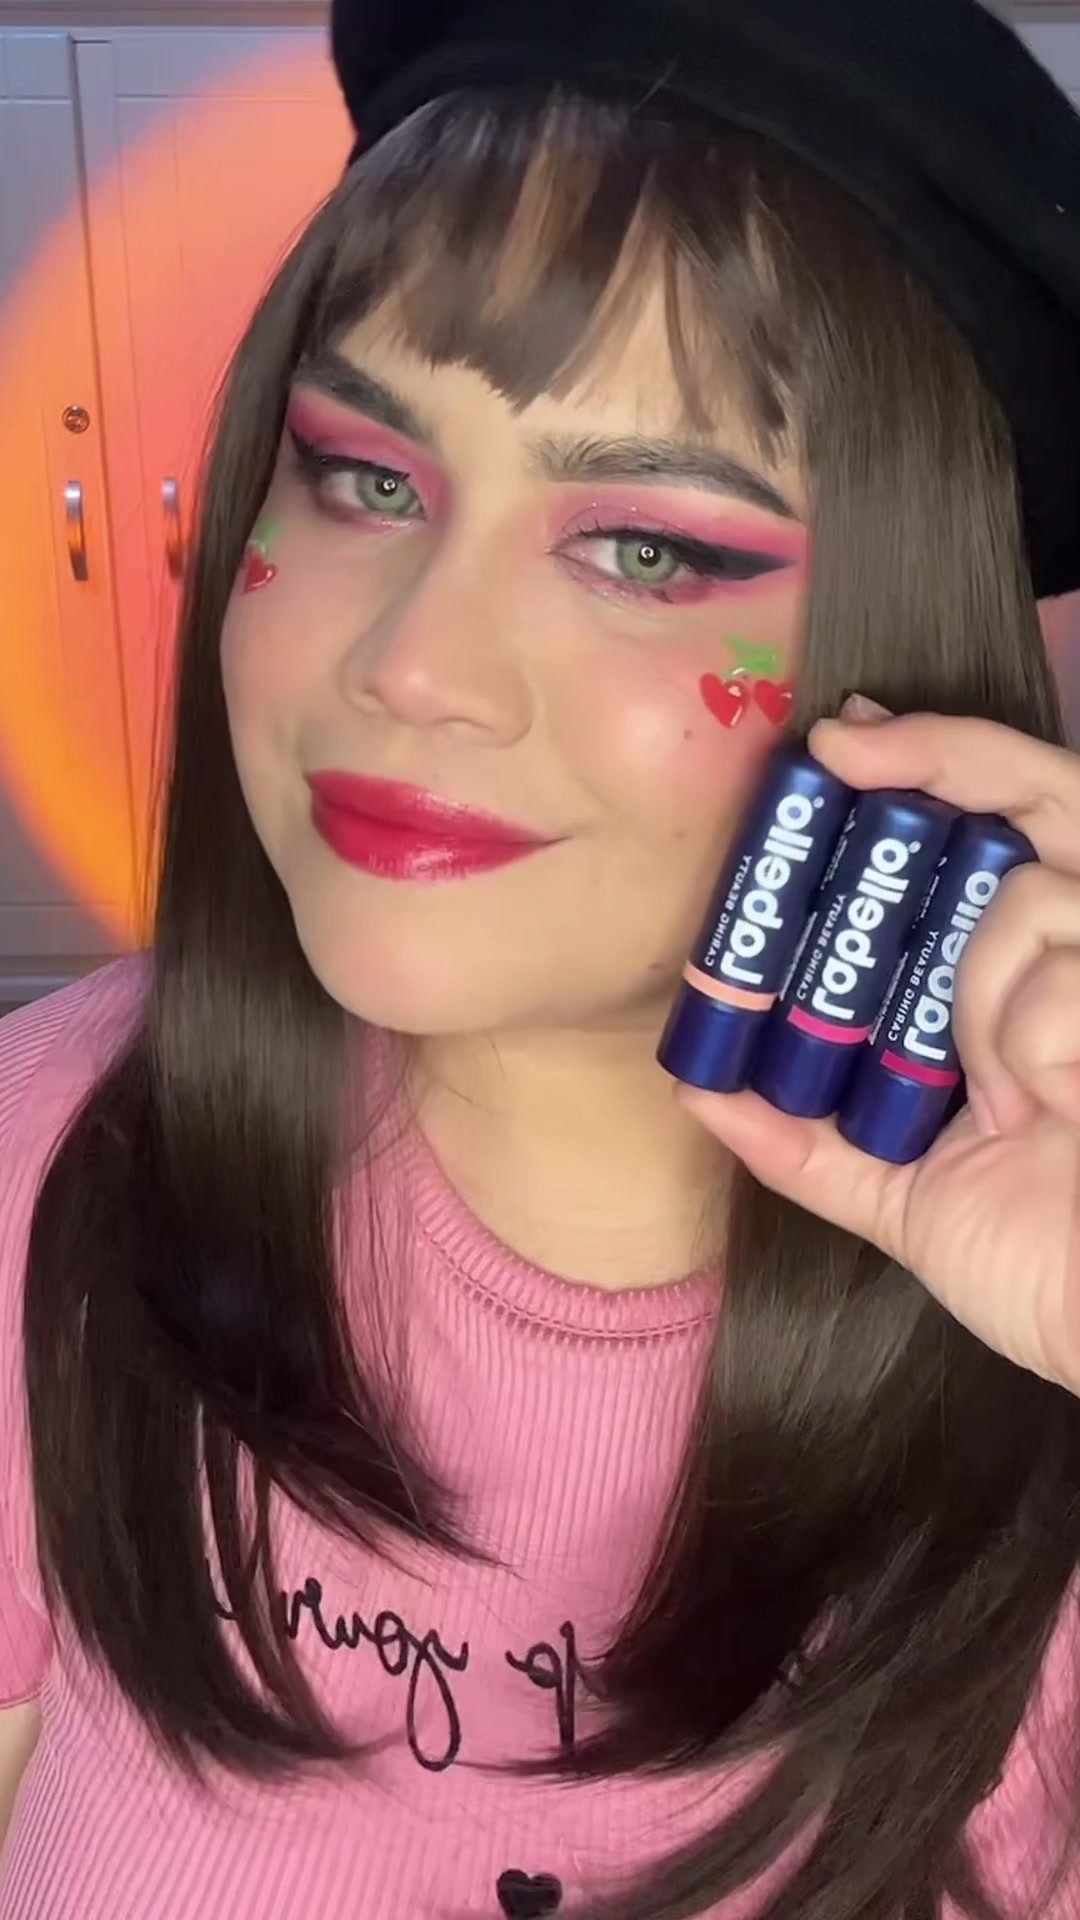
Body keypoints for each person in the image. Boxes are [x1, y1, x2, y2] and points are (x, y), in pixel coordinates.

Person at [2, 0, 1080, 1914]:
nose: (411, 663)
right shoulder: (46, 1154)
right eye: (364, 477)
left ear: (891, 645)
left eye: (646, 550)